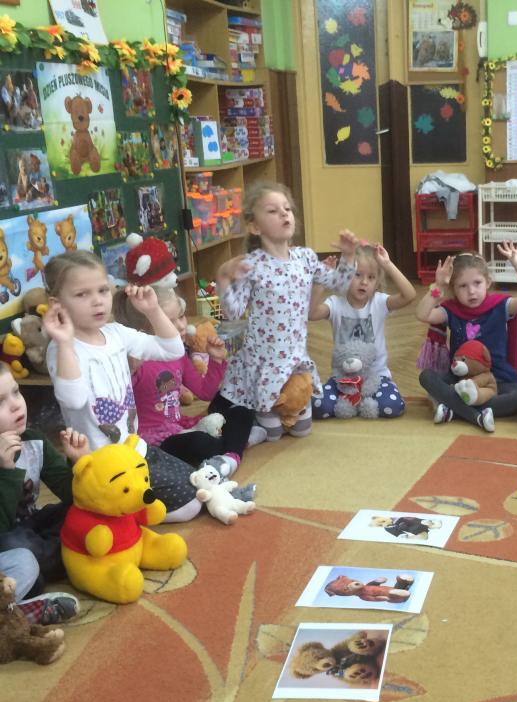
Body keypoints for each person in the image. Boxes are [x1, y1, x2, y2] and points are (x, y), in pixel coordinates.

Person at [42, 251, 201, 523]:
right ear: (57, 304)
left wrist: (152, 310)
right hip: (102, 465)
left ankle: (115, 510)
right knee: (190, 507)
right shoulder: (61, 349)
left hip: (133, 447)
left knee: (195, 482)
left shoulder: (115, 333)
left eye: (103, 290)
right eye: (82, 294)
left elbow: (172, 349)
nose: (97, 301)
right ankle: (112, 512)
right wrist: (65, 342)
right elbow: (73, 400)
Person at [213, 182, 358, 440]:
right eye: (272, 211)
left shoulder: (305, 258)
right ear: (255, 227)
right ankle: (249, 413)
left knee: (303, 431)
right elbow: (233, 312)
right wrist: (223, 277)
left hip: (295, 362)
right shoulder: (252, 265)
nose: (284, 214)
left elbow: (339, 284)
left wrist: (348, 257)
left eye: (287, 209)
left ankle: (261, 412)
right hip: (263, 364)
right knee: (273, 434)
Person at [113, 285, 259, 472]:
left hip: (180, 427)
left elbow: (205, 392)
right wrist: (130, 368)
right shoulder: (134, 361)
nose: (182, 326)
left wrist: (216, 360)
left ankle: (230, 457)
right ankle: (237, 442)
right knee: (199, 442)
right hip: (155, 443)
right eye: (170, 321)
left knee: (243, 409)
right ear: (144, 329)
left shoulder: (178, 354)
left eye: (181, 316)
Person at [0, 362, 86, 625]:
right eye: (1, 401)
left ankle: (39, 577)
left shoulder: (34, 441)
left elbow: (73, 495)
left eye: (16, 392)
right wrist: (6, 471)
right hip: (8, 545)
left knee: (82, 514)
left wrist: (79, 462)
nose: (16, 405)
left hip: (31, 530)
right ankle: (22, 606)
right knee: (23, 555)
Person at [416, 245, 517, 431]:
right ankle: (477, 415)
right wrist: (438, 286)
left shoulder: (500, 306)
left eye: (477, 283)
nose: (471, 291)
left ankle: (454, 409)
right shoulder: (451, 310)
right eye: (463, 286)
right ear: (453, 289)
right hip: (461, 379)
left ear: (488, 282)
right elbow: (422, 314)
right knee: (426, 377)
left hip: (496, 378)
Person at [310, 242, 416, 419]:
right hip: (342, 379)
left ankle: (360, 400)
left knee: (392, 406)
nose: (364, 282)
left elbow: (409, 295)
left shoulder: (379, 302)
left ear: (377, 282)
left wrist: (387, 264)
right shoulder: (335, 304)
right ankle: (355, 400)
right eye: (357, 275)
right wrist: (324, 279)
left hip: (376, 377)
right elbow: (311, 313)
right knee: (319, 406)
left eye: (371, 277)